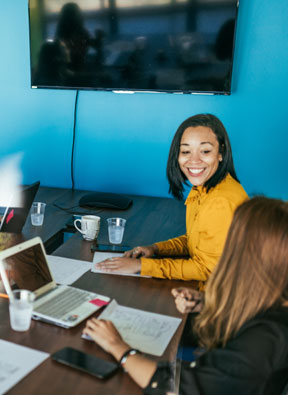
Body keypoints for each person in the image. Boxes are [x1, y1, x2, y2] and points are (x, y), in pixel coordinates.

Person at [83, 197, 288, 394]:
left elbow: (176, 388)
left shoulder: (266, 339)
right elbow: (256, 312)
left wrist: (119, 347)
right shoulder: (277, 298)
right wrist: (206, 304)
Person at [96, 114, 248, 284]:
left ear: (221, 153)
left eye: (205, 151)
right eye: (186, 151)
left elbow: (207, 269)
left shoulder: (221, 201)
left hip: (224, 294)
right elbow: (196, 242)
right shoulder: (203, 188)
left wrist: (141, 265)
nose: (194, 160)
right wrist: (155, 249)